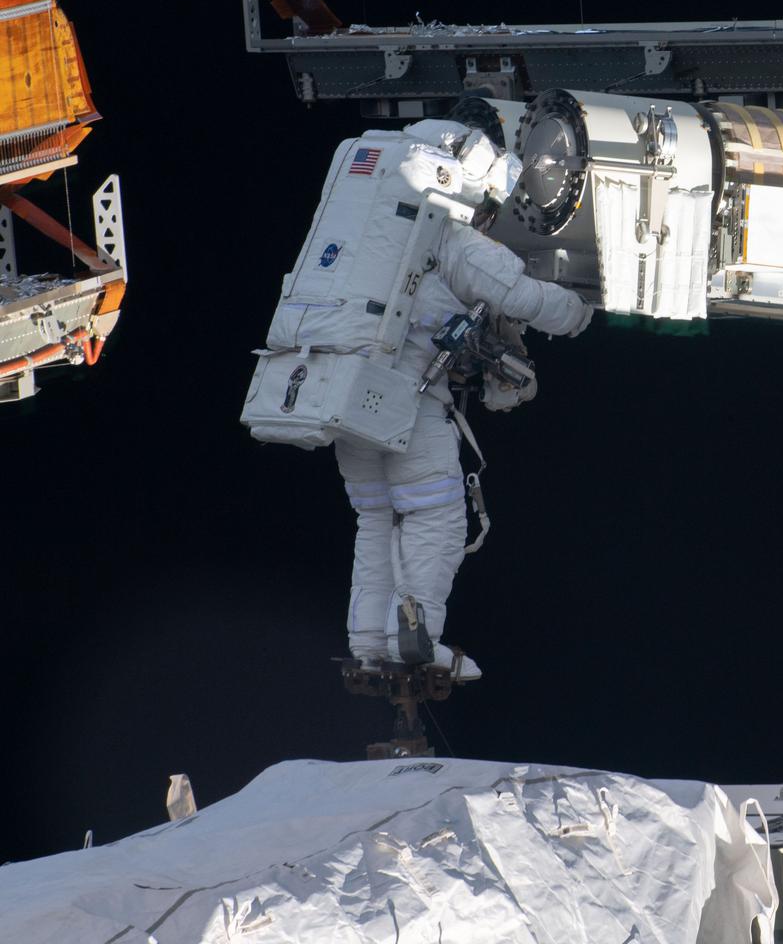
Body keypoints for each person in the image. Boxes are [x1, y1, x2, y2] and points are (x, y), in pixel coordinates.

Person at [246, 106, 591, 680]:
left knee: (377, 519)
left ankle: (369, 642)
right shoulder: (450, 238)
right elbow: (528, 300)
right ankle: (415, 636)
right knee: (436, 520)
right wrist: (579, 313)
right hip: (408, 409)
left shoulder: (371, 231)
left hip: (342, 396)